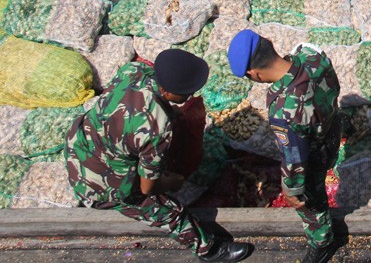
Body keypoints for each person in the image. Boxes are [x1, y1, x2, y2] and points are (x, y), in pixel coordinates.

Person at [64, 49, 253, 262]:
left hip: (80, 143)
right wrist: (171, 183)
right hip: (99, 180)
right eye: (186, 93)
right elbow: (148, 188)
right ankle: (208, 250)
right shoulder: (156, 128)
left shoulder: (134, 70)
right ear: (166, 90)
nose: (189, 97)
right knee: (170, 211)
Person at [228, 30, 341, 263]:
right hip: (332, 129)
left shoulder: (283, 108)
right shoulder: (311, 55)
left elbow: (294, 156)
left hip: (315, 151)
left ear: (254, 74)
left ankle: (322, 241)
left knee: (312, 198)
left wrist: (291, 189)